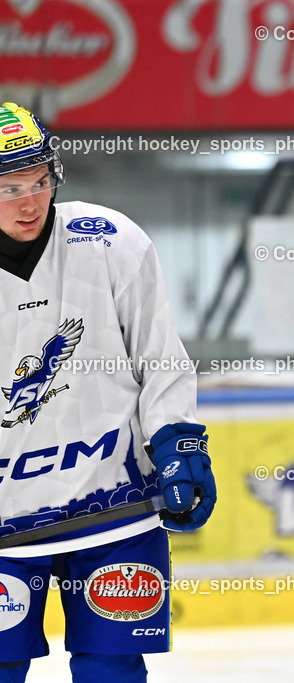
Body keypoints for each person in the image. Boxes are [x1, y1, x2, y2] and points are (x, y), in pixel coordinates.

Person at [0, 102, 215, 682]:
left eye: (40, 179)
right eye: (10, 185)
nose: (30, 201)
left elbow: (160, 356)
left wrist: (178, 442)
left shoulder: (109, 239)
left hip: (112, 502)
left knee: (112, 670)